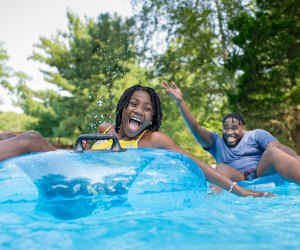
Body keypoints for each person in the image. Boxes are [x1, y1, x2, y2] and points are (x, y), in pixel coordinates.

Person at [91, 84, 273, 197]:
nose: (139, 111)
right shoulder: (104, 129)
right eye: (133, 104)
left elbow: (196, 163)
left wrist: (239, 191)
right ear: (122, 107)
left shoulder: (153, 139)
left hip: (117, 201)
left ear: (152, 118)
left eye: (147, 108)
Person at [161, 81, 300, 189]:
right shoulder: (217, 143)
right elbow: (197, 129)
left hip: (260, 173)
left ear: (243, 128)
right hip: (238, 177)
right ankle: (213, 205)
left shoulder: (256, 135)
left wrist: (295, 158)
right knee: (220, 167)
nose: (229, 132)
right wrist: (180, 102)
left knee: (273, 152)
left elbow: (279, 149)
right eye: (226, 128)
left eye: (234, 128)